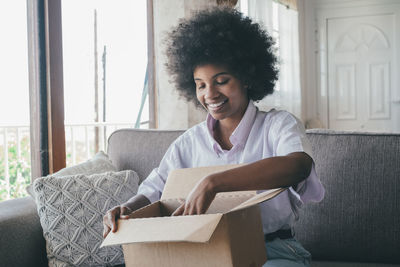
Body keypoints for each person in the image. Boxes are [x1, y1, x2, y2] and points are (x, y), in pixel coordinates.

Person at [103, 7, 324, 267]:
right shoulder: (188, 143)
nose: (210, 94)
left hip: (273, 252)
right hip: (206, 254)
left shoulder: (278, 125)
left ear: (246, 77)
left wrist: (214, 183)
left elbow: (297, 166)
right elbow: (155, 190)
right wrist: (128, 208)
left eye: (221, 81)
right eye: (201, 84)